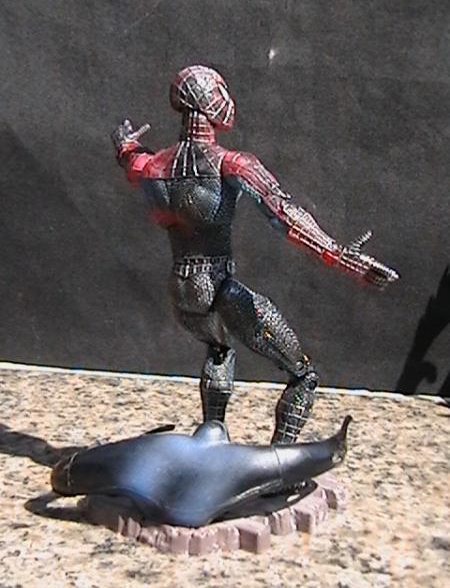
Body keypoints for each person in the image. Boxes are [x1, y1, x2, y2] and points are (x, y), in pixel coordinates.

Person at [111, 65, 398, 444]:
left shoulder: (152, 166)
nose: (226, 101)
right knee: (303, 374)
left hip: (181, 293)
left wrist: (124, 143)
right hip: (220, 288)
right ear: (208, 101)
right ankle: (278, 460)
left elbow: (130, 158)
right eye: (220, 92)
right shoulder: (232, 163)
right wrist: (340, 257)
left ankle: (212, 441)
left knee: (219, 351)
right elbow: (285, 215)